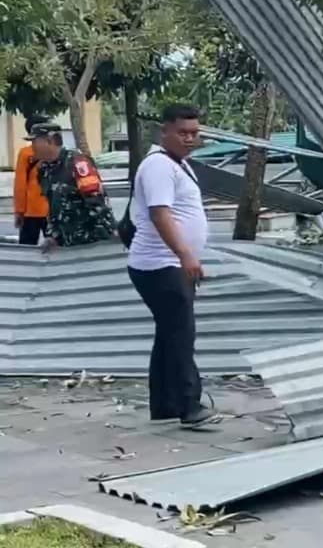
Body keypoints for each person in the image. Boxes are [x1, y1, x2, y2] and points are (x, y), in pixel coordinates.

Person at [127, 104, 216, 429]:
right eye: (183, 133)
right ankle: (189, 406)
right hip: (159, 264)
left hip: (168, 263)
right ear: (164, 131)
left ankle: (164, 404)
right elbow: (160, 214)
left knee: (169, 333)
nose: (190, 139)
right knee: (181, 333)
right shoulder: (158, 167)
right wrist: (185, 254)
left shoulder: (178, 164)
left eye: (195, 133)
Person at [29, 124, 116, 249]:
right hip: (65, 245)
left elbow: (97, 203)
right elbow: (52, 208)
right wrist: (52, 236)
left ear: (50, 141)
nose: (32, 147)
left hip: (92, 243)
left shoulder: (78, 163)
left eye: (34, 141)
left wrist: (109, 236)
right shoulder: (45, 170)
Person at [14, 114, 52, 245]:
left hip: (31, 210)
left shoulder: (25, 153)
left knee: (26, 250)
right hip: (52, 209)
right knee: (58, 249)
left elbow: (20, 185)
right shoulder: (55, 151)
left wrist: (19, 211)